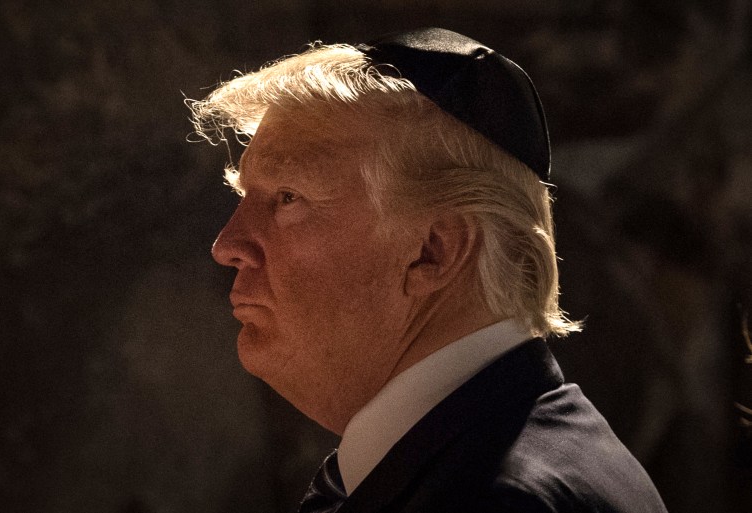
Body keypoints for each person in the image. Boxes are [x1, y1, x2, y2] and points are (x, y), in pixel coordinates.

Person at [189, 27, 668, 513]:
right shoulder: (472, 463)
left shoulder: (500, 501)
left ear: (433, 251)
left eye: (288, 197)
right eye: (242, 196)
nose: (227, 246)